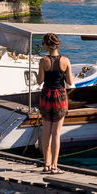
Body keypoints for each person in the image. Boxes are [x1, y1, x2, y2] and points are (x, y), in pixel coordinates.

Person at [37, 32, 73, 174]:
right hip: (60, 97)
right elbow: (70, 82)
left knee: (47, 132)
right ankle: (54, 166)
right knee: (56, 133)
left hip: (46, 95)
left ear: (46, 45)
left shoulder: (43, 61)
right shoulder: (66, 60)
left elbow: (40, 81)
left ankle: (46, 165)